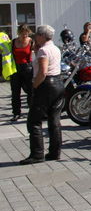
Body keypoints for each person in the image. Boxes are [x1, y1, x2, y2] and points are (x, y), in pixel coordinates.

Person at [20, 25, 64, 164]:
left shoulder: (44, 51)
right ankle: (55, 152)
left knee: (34, 121)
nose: (35, 38)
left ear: (42, 36)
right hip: (58, 82)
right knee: (54, 119)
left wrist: (34, 86)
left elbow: (43, 72)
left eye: (37, 35)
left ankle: (37, 153)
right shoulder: (55, 48)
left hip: (46, 84)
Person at [10, 25, 34, 122]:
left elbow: (35, 53)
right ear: (19, 33)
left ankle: (32, 112)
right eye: (23, 33)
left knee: (30, 91)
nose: (25, 35)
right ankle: (16, 113)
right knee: (15, 92)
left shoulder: (31, 41)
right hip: (15, 68)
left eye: (26, 33)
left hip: (27, 68)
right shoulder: (13, 42)